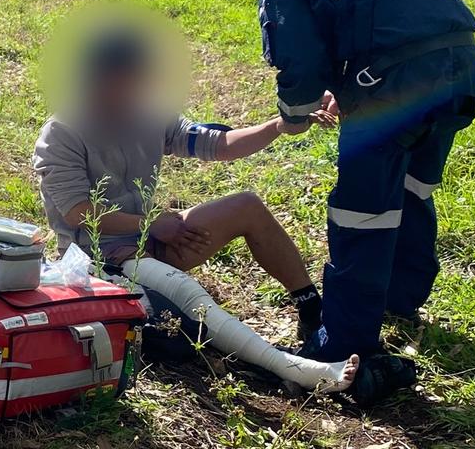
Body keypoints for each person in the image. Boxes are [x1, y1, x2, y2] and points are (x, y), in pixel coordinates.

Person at [32, 27, 361, 395]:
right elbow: (78, 212)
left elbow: (217, 144)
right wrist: (150, 225)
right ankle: (285, 365)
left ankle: (309, 307)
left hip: (150, 241)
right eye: (116, 80)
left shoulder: (149, 115)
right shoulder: (63, 132)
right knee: (185, 319)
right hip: (94, 261)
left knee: (246, 206)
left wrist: (279, 125)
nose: (126, 90)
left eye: (133, 79)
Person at [229, 0, 475, 378]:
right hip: (461, 67)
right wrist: (346, 87)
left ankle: (343, 343)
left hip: (395, 82)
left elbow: (297, 53)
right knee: (412, 187)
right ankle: (399, 300)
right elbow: (386, 16)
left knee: (361, 213)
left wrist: (295, 114)